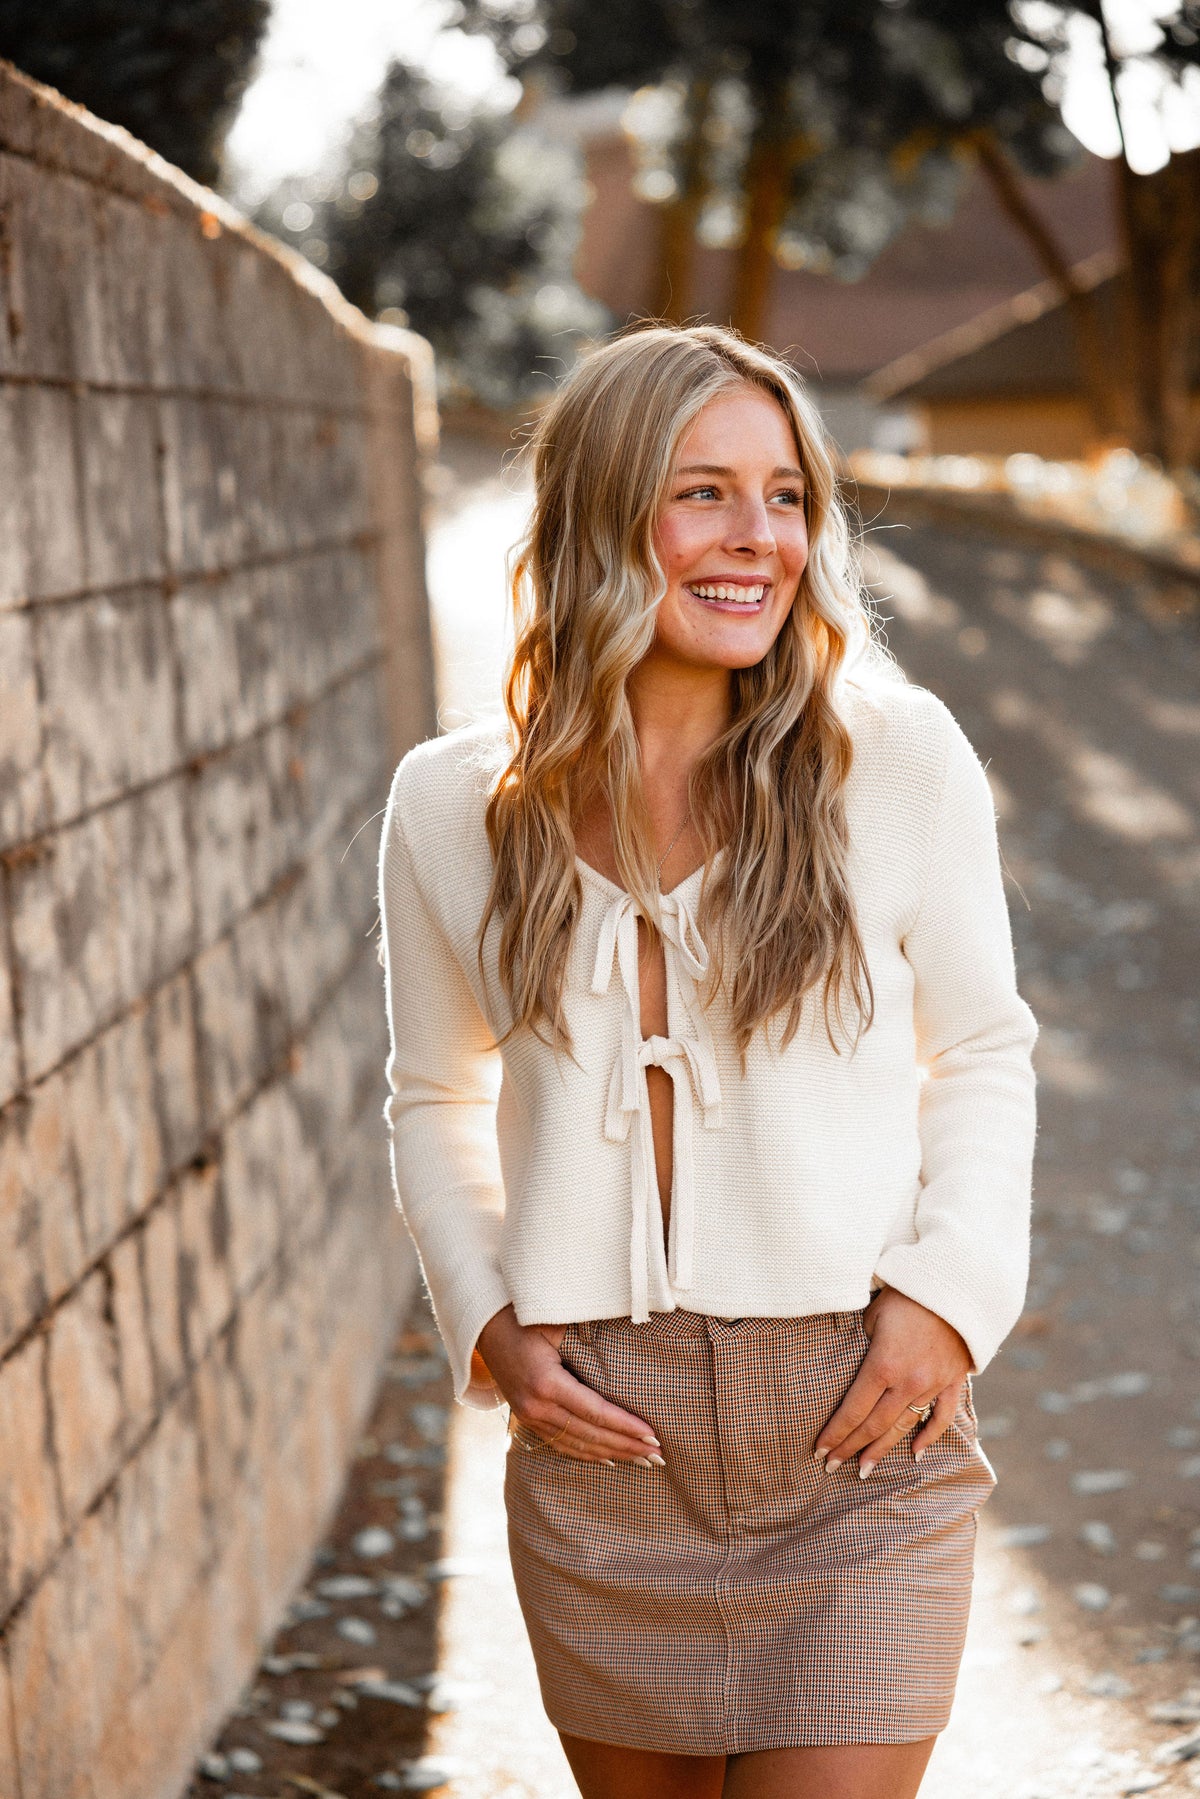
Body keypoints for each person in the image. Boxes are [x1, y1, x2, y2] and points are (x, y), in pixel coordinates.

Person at [377, 323, 1038, 1799]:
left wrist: (950, 1298)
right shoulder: (448, 806)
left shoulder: (900, 760)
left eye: (788, 496)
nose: (762, 540)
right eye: (704, 495)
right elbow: (433, 1093)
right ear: (607, 519)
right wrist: (486, 1319)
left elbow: (986, 1048)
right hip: (608, 1450)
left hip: (857, 1433)